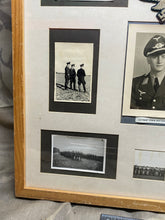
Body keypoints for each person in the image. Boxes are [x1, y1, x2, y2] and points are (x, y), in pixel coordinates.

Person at [131, 35, 165, 110]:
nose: (159, 61)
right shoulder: (135, 84)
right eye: (155, 57)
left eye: (163, 56)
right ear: (148, 60)